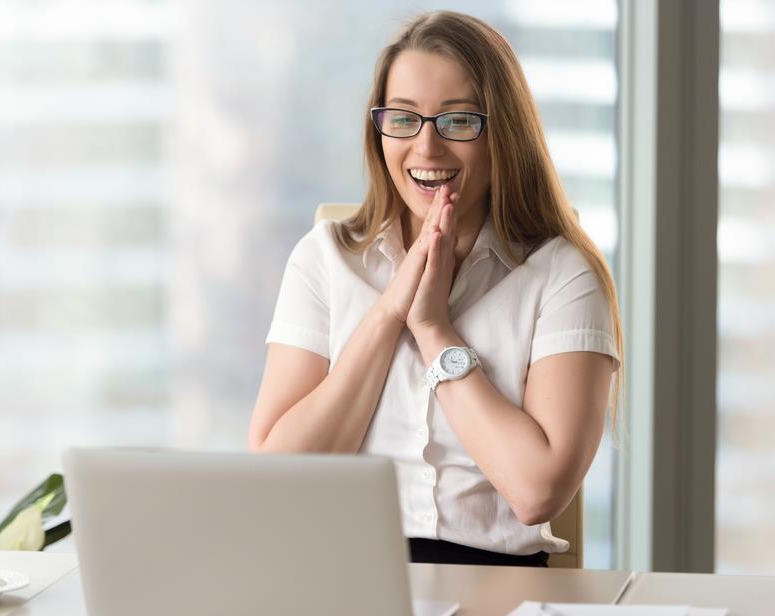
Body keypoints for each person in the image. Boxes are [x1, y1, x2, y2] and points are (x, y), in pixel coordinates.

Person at [248, 11, 623, 567]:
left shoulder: (563, 274)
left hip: (499, 588)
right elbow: (277, 478)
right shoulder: (325, 259)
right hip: (337, 579)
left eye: (458, 121)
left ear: (503, 133)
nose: (426, 148)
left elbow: (537, 491)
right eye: (403, 118)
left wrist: (432, 330)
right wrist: (388, 313)